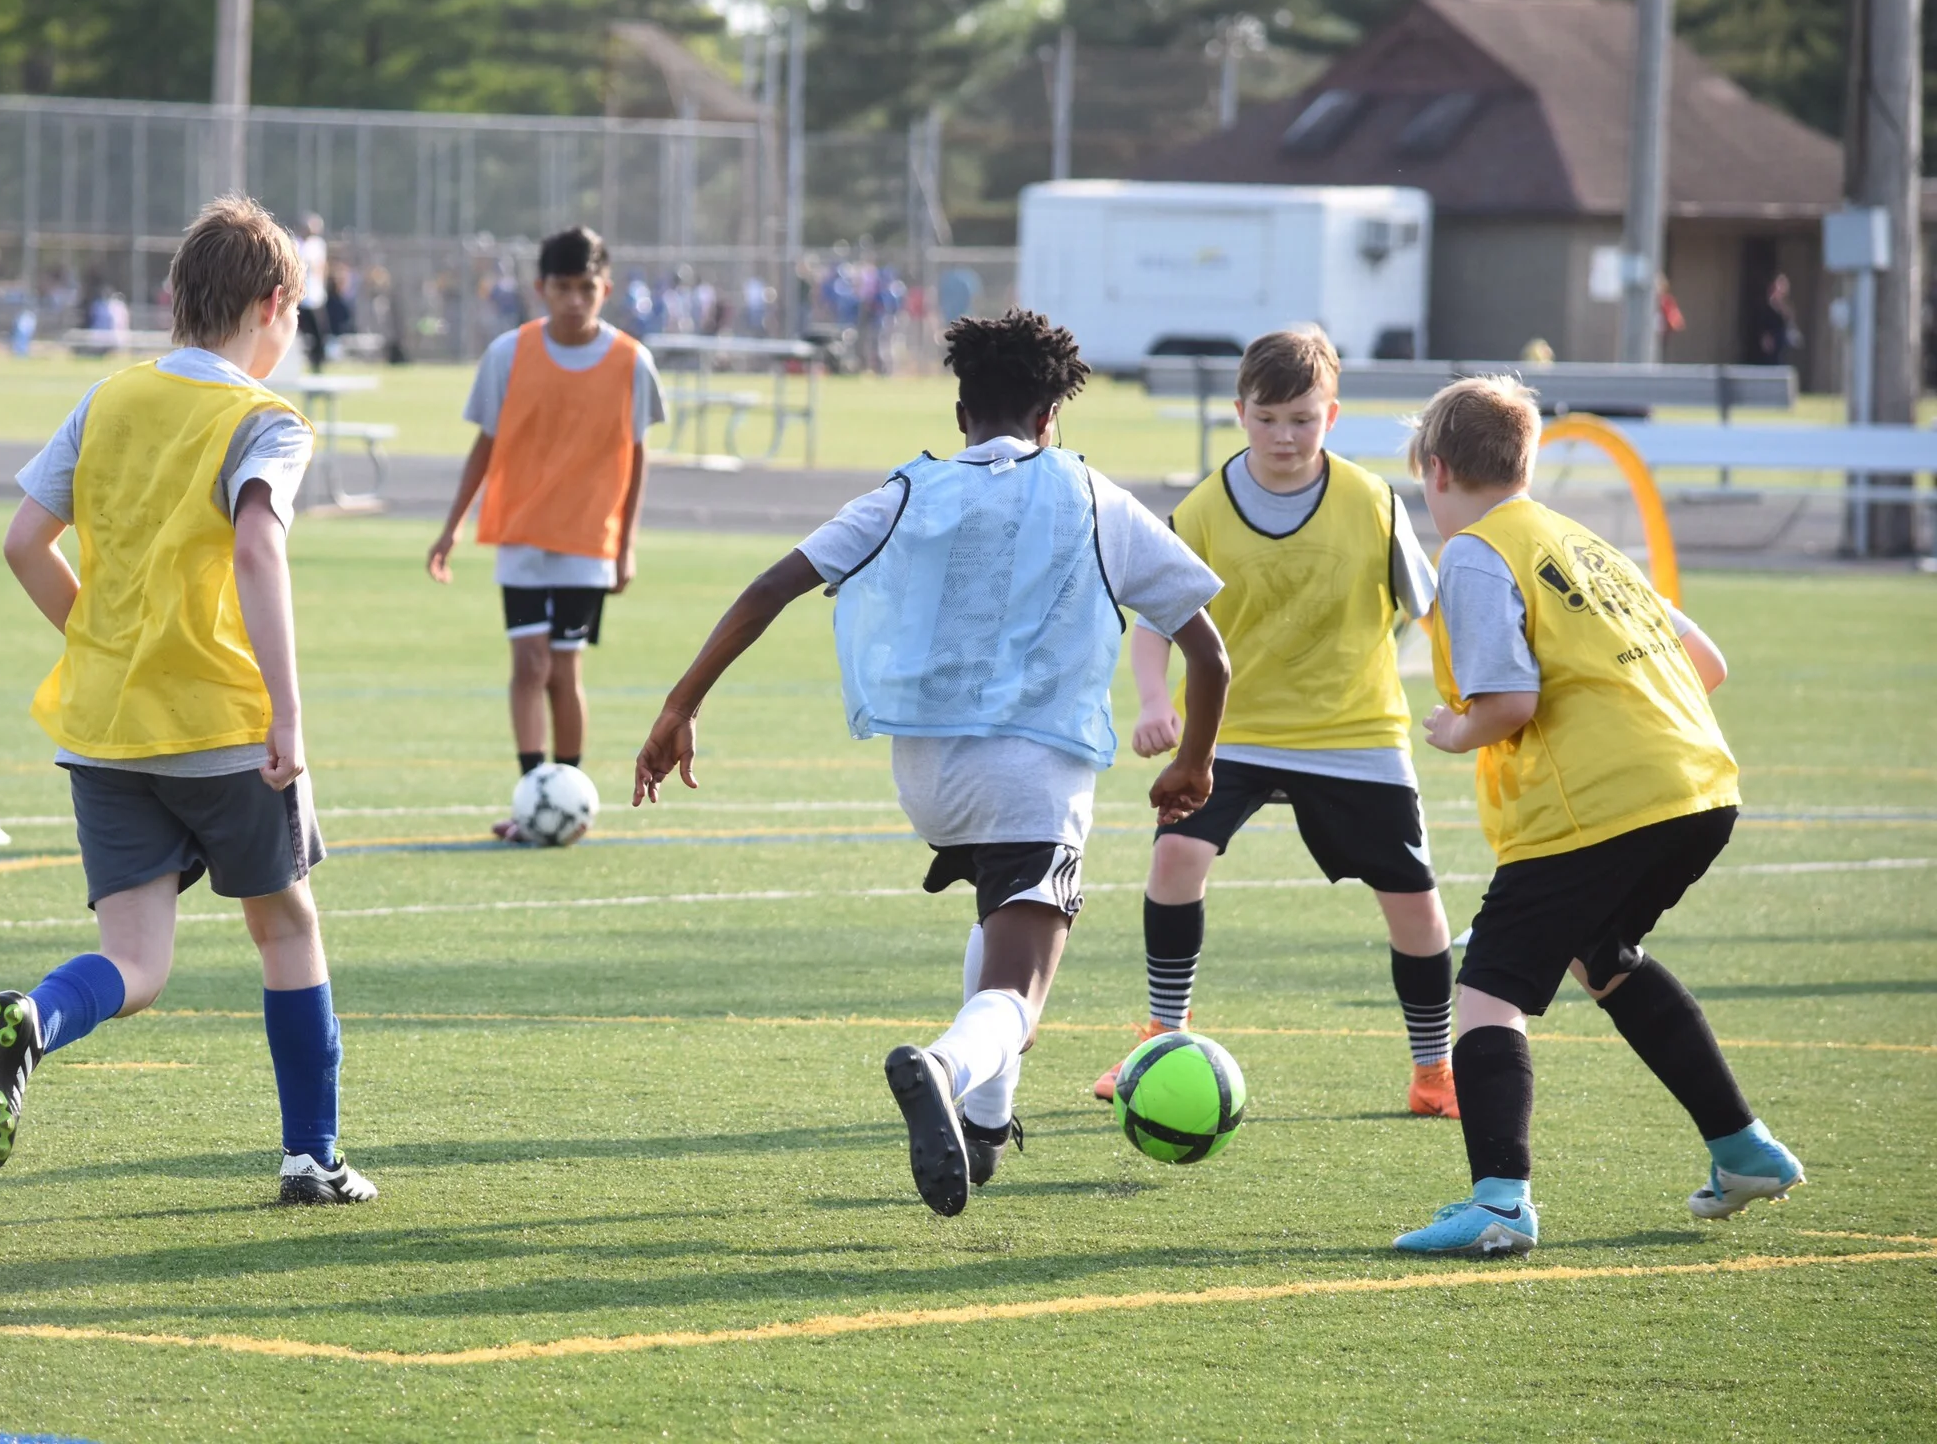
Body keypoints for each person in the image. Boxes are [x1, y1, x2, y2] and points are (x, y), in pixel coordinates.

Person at [631, 310, 1229, 1216]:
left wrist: (681, 705)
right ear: (1049, 420)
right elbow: (1209, 654)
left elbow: (769, 591)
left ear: (961, 414)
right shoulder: (1095, 496)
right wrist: (1193, 762)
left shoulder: (907, 493)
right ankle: (945, 1069)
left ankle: (985, 1130)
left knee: (1000, 920)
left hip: (928, 779)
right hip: (1034, 774)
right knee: (1019, 996)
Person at [0, 195, 376, 1207]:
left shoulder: (109, 399)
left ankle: (34, 1016)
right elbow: (256, 543)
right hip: (221, 725)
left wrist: (109, 650)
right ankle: (310, 1158)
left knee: (134, 964)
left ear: (175, 298)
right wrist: (286, 710)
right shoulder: (265, 420)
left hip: (105, 729)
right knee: (285, 927)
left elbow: (25, 541)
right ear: (275, 303)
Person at [1393, 376, 1801, 1255]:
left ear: (1434, 470)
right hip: (1697, 790)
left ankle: (1500, 1204)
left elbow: (1506, 700)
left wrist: (1456, 730)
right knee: (1602, 957)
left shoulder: (1472, 549)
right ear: (1526, 461)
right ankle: (1744, 1147)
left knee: (1488, 993)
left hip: (1598, 810)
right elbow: (1709, 661)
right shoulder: (1583, 540)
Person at [1089, 327, 1459, 1121]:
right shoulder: (1205, 508)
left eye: (1302, 418)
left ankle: (1435, 1070)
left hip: (1355, 731)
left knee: (1415, 902)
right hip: (1233, 730)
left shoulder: (1372, 501)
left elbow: (1434, 614)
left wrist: (1470, 699)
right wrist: (1157, 702)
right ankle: (1160, 1041)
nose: (1284, 436)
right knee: (1175, 860)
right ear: (1238, 413)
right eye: (1267, 419)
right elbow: (1155, 621)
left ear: (1332, 415)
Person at [426, 226, 662, 831]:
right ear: (541, 289)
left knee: (564, 669)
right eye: (563, 288)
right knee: (528, 666)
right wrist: (452, 527)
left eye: (587, 288)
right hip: (522, 534)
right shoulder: (509, 353)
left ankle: (571, 796)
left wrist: (626, 545)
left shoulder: (631, 361)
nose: (575, 300)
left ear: (605, 288)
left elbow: (636, 457)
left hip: (588, 540)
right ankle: (532, 797)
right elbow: (486, 444)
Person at [296, 212, 329, 372]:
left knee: (320, 334)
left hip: (315, 298)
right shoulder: (295, 244)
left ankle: (318, 364)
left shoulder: (318, 245)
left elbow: (321, 269)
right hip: (300, 300)